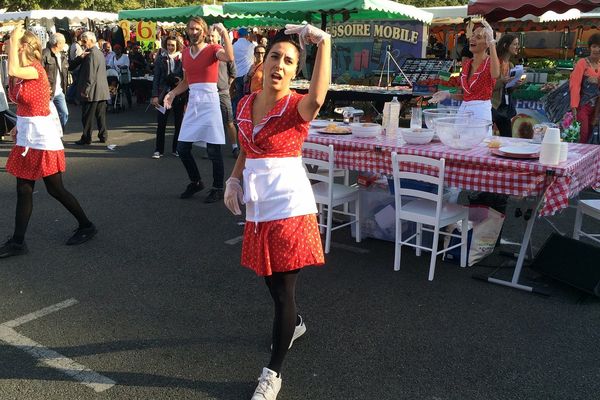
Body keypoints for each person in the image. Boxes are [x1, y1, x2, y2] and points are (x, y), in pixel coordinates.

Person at [223, 24, 330, 400]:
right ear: (262, 61)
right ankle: (295, 323)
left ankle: (273, 374)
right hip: (258, 207)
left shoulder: (295, 105)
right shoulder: (244, 104)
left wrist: (324, 45)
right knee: (270, 282)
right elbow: (247, 149)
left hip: (289, 207)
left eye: (289, 61)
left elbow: (317, 99)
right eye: (274, 57)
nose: (279, 66)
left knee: (284, 291)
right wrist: (233, 181)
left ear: (295, 71)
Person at [1, 25, 96, 258]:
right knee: (24, 189)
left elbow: (12, 68)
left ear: (26, 47)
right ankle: (18, 241)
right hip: (27, 135)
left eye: (15, 45)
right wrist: (17, 126)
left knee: (55, 189)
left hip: (42, 138)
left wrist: (13, 39)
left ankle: (86, 225)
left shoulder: (35, 70)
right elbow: (24, 101)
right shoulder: (22, 73)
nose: (9, 48)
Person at [163, 18, 233, 203]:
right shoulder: (185, 53)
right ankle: (196, 182)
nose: (193, 32)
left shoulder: (212, 49)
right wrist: (172, 93)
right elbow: (186, 82)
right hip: (194, 101)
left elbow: (229, 57)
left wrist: (224, 33)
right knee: (182, 148)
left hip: (210, 101)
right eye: (190, 29)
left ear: (203, 31)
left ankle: (218, 187)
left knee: (213, 150)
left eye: (196, 28)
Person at [431, 21, 500, 125]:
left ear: (487, 43)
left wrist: (492, 43)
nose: (472, 39)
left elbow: (495, 74)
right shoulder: (467, 64)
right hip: (463, 112)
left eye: (478, 37)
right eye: (472, 35)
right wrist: (448, 95)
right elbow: (467, 96)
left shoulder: (490, 62)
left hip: (480, 115)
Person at [71, 31, 110, 145]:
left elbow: (90, 75)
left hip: (93, 91)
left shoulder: (91, 54)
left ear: (91, 40)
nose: (83, 43)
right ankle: (103, 135)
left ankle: (87, 137)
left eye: (84, 41)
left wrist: (85, 90)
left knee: (87, 116)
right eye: (82, 40)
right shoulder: (98, 52)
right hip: (101, 90)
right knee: (100, 115)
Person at [208, 27, 240, 158]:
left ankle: (235, 147)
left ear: (218, 37)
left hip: (222, 93)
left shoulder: (224, 53)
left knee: (229, 122)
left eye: (213, 36)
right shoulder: (204, 52)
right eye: (209, 36)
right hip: (209, 93)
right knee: (210, 122)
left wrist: (227, 86)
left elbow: (233, 73)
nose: (210, 39)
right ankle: (210, 149)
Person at [151, 35, 184, 158]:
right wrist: (155, 95)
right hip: (163, 92)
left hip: (179, 93)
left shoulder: (182, 58)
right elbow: (156, 78)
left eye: (172, 45)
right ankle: (159, 149)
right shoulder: (160, 59)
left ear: (177, 46)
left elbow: (186, 76)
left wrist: (179, 80)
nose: (170, 47)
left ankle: (176, 148)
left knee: (178, 122)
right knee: (161, 123)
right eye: (168, 45)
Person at [570, 33, 600, 144]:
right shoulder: (582, 63)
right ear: (590, 48)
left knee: (593, 138)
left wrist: (597, 81)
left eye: (599, 46)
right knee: (583, 135)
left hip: (597, 108)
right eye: (594, 46)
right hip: (583, 107)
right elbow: (575, 85)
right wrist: (574, 106)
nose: (597, 49)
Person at [492, 34, 524, 137]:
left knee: (507, 136)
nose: (517, 47)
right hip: (493, 105)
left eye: (517, 44)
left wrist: (515, 84)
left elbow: (508, 90)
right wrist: (502, 81)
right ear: (506, 45)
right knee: (487, 135)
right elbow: (488, 86)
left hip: (504, 107)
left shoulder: (510, 65)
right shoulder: (495, 63)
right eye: (515, 44)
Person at [41, 32, 69, 130]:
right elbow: (40, 72)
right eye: (63, 42)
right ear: (57, 44)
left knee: (64, 113)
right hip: (47, 91)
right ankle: (49, 135)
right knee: (46, 116)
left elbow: (68, 67)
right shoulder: (45, 54)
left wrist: (80, 58)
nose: (64, 45)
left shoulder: (61, 55)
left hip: (59, 91)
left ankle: (58, 134)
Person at [232, 27, 256, 116]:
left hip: (237, 75)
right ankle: (246, 115)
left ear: (238, 35)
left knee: (239, 97)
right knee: (248, 97)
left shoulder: (233, 46)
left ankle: (238, 115)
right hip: (248, 74)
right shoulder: (251, 46)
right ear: (247, 35)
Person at [108, 44, 132, 109]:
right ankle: (114, 101)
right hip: (117, 75)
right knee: (113, 85)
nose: (116, 51)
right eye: (115, 50)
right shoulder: (113, 57)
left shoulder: (125, 56)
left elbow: (127, 65)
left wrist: (121, 67)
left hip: (124, 75)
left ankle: (130, 103)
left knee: (126, 90)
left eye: (118, 50)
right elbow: (110, 65)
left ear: (120, 50)